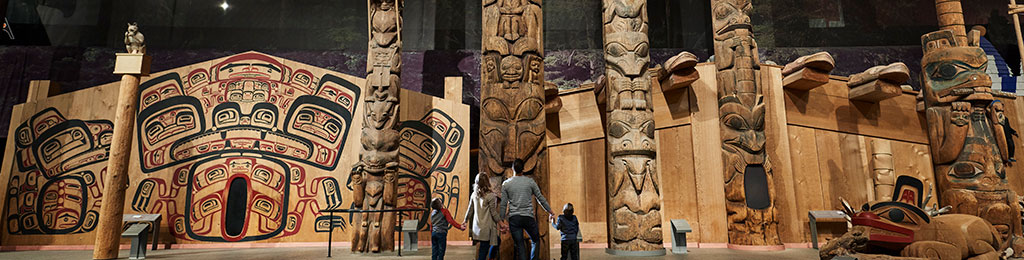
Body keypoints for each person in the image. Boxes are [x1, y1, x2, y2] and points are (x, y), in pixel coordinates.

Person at [500, 159, 555, 260]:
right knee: (535, 240)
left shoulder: (506, 184)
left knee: (520, 245)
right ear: (523, 169)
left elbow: (503, 204)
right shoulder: (530, 182)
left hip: (514, 218)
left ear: (513, 169)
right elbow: (540, 198)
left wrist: (501, 220)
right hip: (528, 217)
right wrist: (550, 211)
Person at [463, 172, 502, 260]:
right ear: (487, 182)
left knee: (496, 241)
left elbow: (470, 210)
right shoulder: (490, 196)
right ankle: (490, 258)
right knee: (483, 252)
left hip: (477, 228)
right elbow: (494, 213)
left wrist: (465, 221)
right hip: (486, 228)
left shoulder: (474, 195)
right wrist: (501, 223)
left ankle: (491, 258)